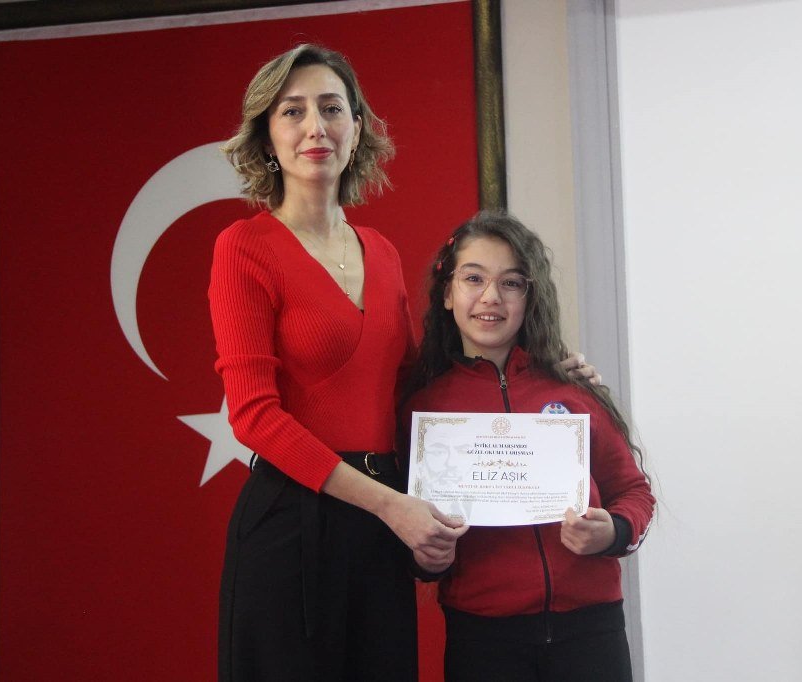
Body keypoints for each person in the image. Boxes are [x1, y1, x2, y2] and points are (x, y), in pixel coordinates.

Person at [210, 44, 599, 681]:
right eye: (293, 111)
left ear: (357, 127)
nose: (315, 127)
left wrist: (548, 377)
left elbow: (418, 386)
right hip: (294, 523)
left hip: (383, 521)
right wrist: (390, 507)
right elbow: (253, 416)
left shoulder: (381, 252)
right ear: (267, 136)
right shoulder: (243, 247)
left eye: (332, 108)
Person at [399, 210, 655, 682]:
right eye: (473, 278)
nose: (491, 297)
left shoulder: (572, 391)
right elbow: (407, 530)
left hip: (591, 630)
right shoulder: (425, 410)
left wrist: (613, 532)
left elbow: (635, 492)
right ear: (447, 293)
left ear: (530, 297)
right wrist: (427, 558)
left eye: (512, 283)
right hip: (483, 638)